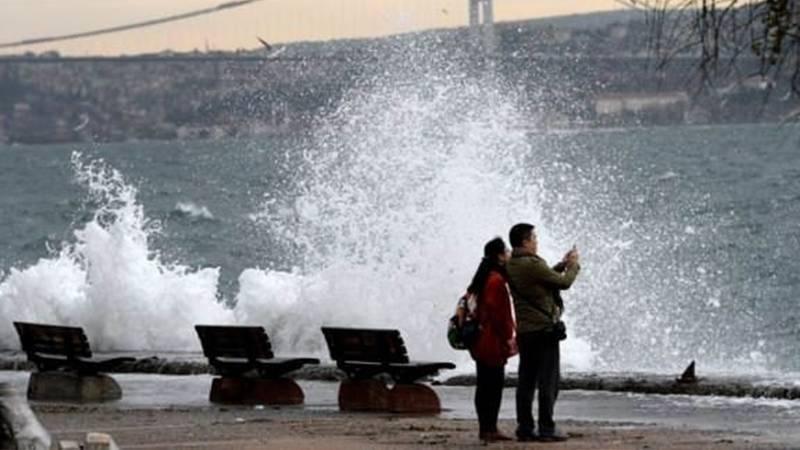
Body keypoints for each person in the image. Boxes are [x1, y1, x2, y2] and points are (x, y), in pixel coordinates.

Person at [506, 223, 580, 442]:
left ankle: (525, 428)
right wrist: (573, 266)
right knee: (548, 381)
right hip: (543, 331)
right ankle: (547, 427)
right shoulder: (532, 264)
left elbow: (542, 279)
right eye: (534, 238)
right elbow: (564, 283)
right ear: (525, 241)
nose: (536, 242)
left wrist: (561, 264)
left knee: (526, 381)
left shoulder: (512, 264)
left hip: (526, 332)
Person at [467, 237, 516, 443]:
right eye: (506, 251)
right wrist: (508, 337)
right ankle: (490, 428)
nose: (508, 254)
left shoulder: (481, 278)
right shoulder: (496, 281)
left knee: (483, 384)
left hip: (478, 339)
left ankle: (484, 428)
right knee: (494, 386)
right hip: (492, 342)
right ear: (498, 256)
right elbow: (500, 316)